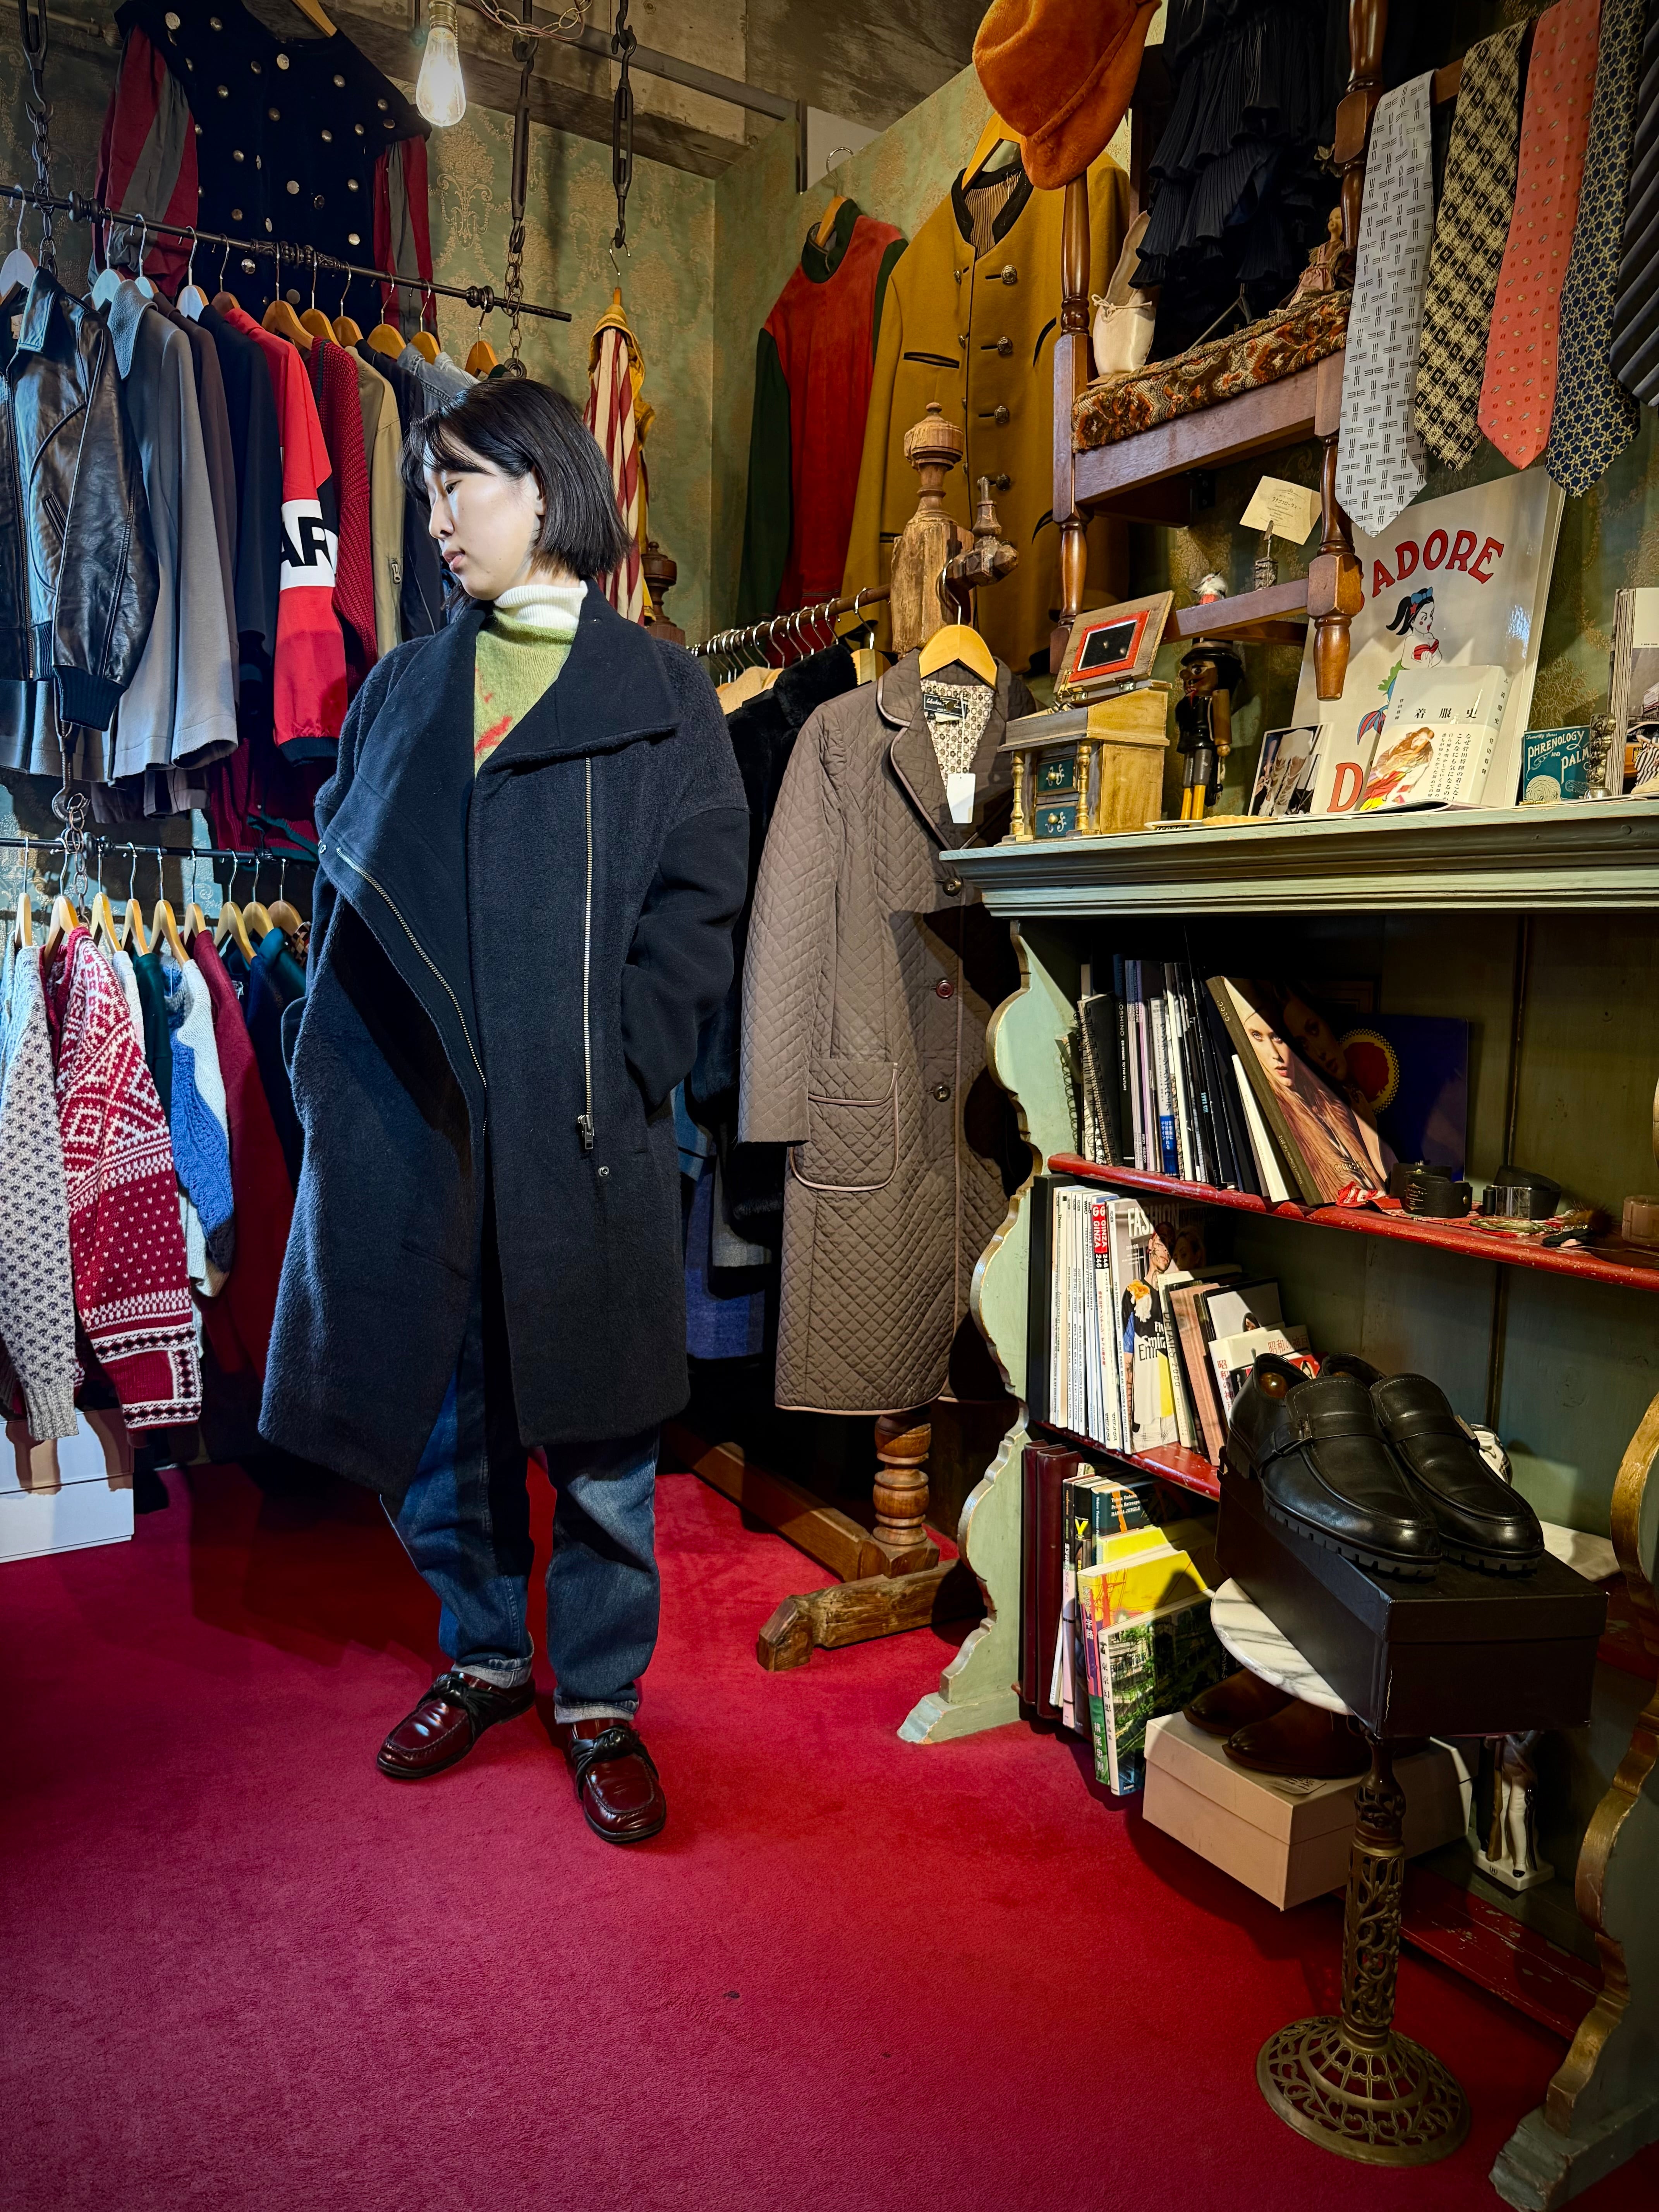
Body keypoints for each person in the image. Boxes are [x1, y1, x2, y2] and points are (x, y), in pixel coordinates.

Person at [261, 379, 748, 1844]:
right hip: (421, 1119)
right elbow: (347, 877)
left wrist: (628, 1058)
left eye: (457, 484)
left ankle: (596, 1699)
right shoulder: (407, 684)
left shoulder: (661, 690)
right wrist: (328, 1062)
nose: (435, 519)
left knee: (601, 1446)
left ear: (542, 488)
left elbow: (702, 898)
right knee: (443, 1420)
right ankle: (483, 1656)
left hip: (582, 1127)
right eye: (426, 491)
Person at [1237, 996, 1390, 1202]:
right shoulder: (1286, 1112)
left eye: (1278, 1038)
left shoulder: (1336, 1107)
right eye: (1257, 1036)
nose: (1276, 1055)